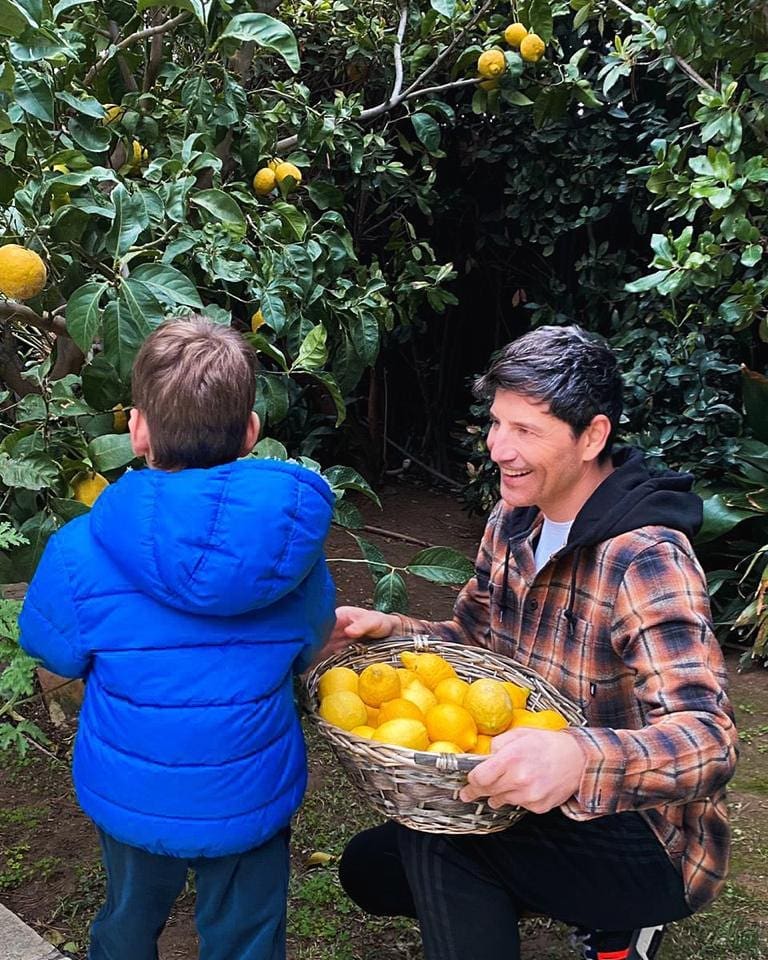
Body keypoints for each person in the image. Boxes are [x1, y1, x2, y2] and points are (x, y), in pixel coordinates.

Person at [328, 325, 738, 960]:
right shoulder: (515, 519)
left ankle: (618, 922)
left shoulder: (645, 559)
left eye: (525, 430)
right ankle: (563, 907)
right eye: (496, 423)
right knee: (369, 868)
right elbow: (470, 642)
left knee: (439, 844)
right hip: (527, 793)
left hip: (645, 835)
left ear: (592, 436)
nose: (498, 448)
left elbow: (709, 740)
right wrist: (393, 631)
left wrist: (579, 757)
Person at [19, 317, 336, 960]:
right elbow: (310, 644)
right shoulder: (290, 556)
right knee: (247, 937)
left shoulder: (80, 549)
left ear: (135, 428)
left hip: (134, 788)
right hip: (250, 790)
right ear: (251, 431)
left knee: (128, 923)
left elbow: (53, 647)